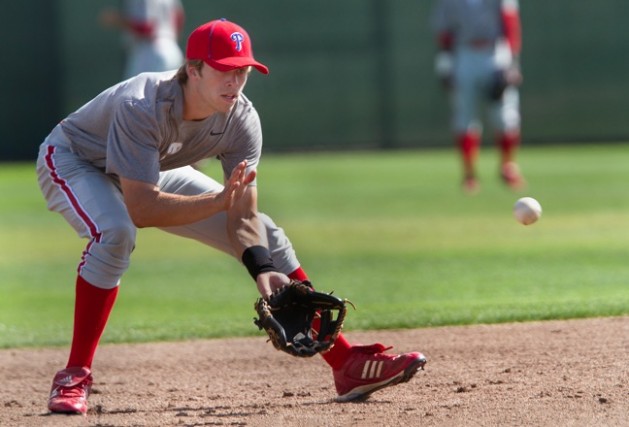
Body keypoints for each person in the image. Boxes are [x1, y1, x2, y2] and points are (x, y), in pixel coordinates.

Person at [37, 18, 427, 415]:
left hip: (150, 165)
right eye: (224, 69)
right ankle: (74, 375)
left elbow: (243, 216)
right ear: (193, 70)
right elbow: (142, 208)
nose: (234, 82)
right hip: (77, 159)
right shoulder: (143, 106)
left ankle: (347, 365)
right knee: (116, 232)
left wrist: (262, 268)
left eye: (242, 71)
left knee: (269, 237)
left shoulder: (241, 119)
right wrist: (222, 201)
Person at [431, 0, 525, 194]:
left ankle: (508, 167)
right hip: (464, 54)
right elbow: (444, 32)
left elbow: (511, 23)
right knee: (465, 116)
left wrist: (512, 63)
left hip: (496, 53)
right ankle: (469, 175)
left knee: (505, 116)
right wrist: (445, 64)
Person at [100, 0, 185, 79]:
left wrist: (118, 20)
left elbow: (147, 28)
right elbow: (179, 18)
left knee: (133, 93)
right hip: (173, 50)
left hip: (149, 52)